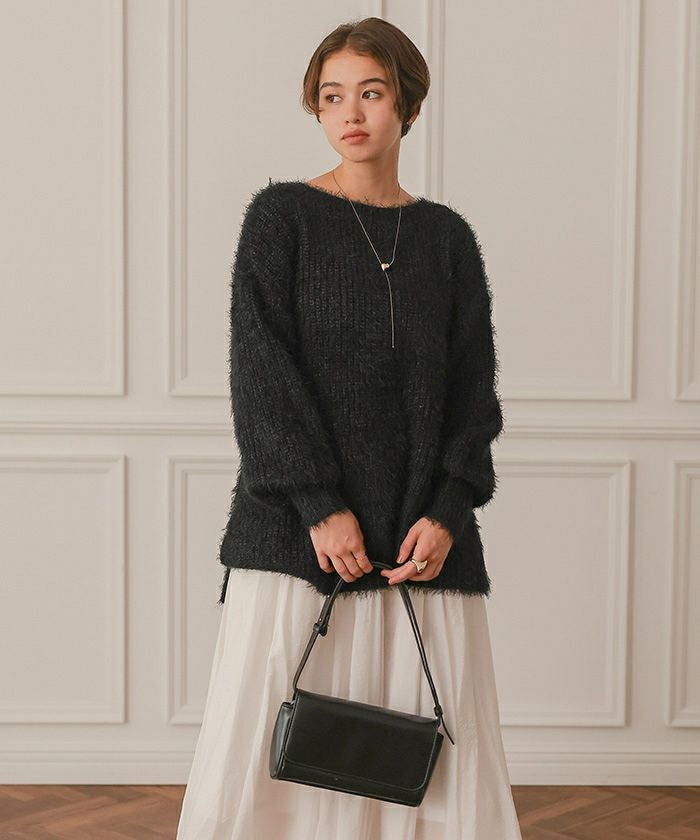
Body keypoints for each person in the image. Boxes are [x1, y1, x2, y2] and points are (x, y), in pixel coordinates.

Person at [176, 16, 522, 840]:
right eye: (331, 97)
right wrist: (318, 503)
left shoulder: (447, 239)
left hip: (419, 546)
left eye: (371, 93)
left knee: (431, 765)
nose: (351, 113)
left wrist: (449, 510)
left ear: (409, 106)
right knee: (270, 759)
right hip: (298, 539)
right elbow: (260, 375)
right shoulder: (282, 218)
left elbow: (474, 395)